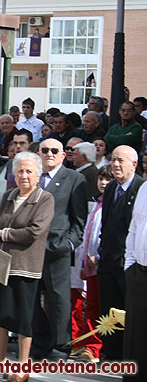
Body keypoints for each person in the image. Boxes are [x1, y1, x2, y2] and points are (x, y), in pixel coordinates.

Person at [0, 152, 55, 381]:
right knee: (0, 315)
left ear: (38, 174)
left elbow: (33, 232)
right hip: (1, 264)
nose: (24, 175)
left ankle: (23, 367)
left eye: (29, 171)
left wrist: (1, 234)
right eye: (20, 171)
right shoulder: (8, 195)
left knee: (24, 318)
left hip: (25, 266)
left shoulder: (45, 199)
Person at [31, 139, 87, 361]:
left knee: (59, 301)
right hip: (31, 249)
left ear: (63, 155)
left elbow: (79, 218)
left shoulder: (74, 179)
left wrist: (69, 244)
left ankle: (61, 346)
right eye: (45, 150)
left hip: (57, 249)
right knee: (31, 299)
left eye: (55, 151)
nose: (49, 154)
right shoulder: (32, 177)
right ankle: (40, 342)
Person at [96, 145, 145, 359]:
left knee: (130, 312)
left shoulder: (141, 188)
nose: (115, 164)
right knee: (109, 309)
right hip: (107, 259)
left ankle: (128, 354)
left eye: (121, 160)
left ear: (134, 164)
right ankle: (112, 352)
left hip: (129, 261)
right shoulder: (111, 188)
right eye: (113, 159)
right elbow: (106, 224)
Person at [73, 165, 113, 364]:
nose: (103, 183)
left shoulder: (111, 204)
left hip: (102, 263)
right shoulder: (96, 203)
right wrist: (83, 263)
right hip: (88, 264)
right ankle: (89, 345)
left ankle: (98, 347)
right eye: (101, 179)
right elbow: (88, 236)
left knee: (101, 308)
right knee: (91, 307)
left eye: (108, 179)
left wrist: (97, 256)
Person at [123, 180, 147, 380]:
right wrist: (129, 264)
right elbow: (134, 227)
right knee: (136, 336)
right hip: (138, 271)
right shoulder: (144, 188)